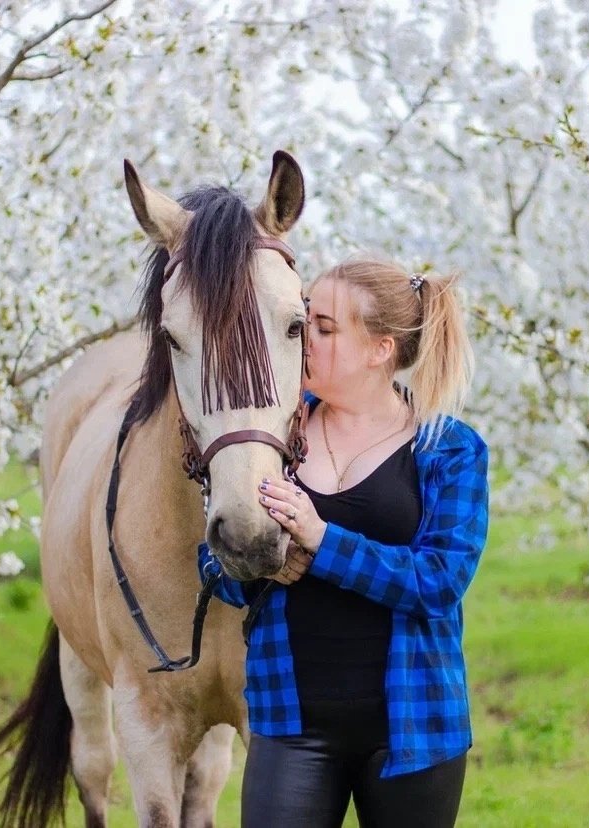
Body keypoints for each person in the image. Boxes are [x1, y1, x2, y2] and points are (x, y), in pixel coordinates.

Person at [197, 257, 489, 828]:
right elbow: (213, 564)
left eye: (325, 328)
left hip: (413, 731)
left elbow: (440, 582)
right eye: (305, 318)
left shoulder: (448, 450)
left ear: (380, 350)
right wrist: (255, 563)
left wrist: (323, 541)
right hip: (291, 726)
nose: (305, 336)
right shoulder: (272, 437)